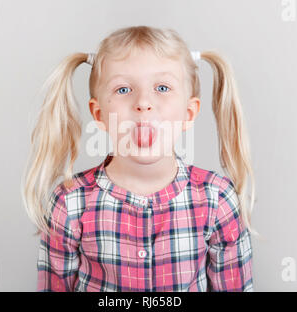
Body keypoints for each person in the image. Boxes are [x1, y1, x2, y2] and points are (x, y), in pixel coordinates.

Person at [21, 25, 258, 292]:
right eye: (123, 89)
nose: (143, 102)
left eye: (162, 87)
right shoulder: (70, 204)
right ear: (99, 115)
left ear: (189, 113)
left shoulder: (217, 200)